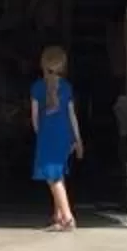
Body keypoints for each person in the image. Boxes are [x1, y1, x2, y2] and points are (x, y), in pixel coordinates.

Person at [32, 44, 85, 231]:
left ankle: (68, 217)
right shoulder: (67, 88)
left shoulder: (37, 87)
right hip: (65, 136)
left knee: (52, 178)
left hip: (48, 137)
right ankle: (58, 216)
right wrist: (77, 139)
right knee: (58, 175)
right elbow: (72, 115)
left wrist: (40, 133)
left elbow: (35, 118)